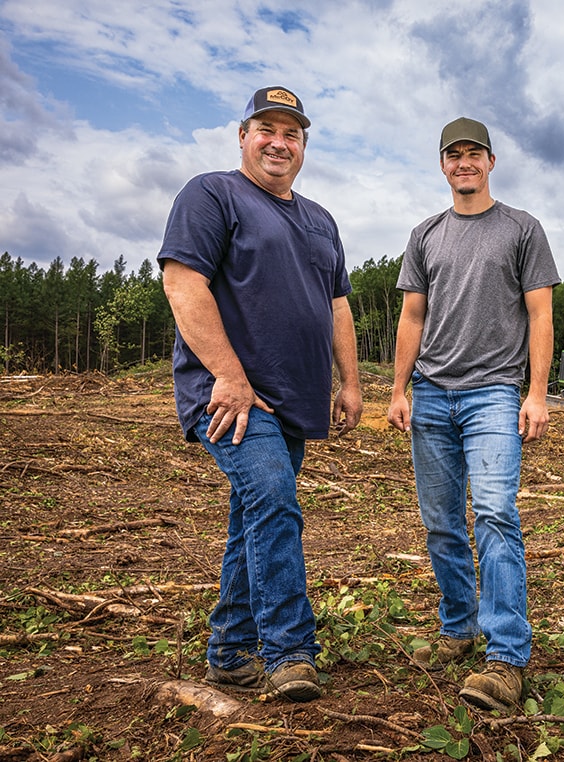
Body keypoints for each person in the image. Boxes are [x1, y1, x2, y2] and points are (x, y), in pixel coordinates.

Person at [158, 86, 363, 702]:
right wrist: (228, 373)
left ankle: (228, 650)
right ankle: (289, 651)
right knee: (273, 499)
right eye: (266, 129)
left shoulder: (321, 218)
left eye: (292, 132)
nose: (279, 141)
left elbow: (338, 305)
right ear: (243, 136)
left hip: (295, 399)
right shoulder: (212, 194)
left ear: (304, 144)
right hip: (231, 396)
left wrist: (350, 381)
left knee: (255, 516)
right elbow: (182, 281)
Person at [387, 117, 560, 712]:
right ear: (442, 165)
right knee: (440, 522)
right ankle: (459, 627)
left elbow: (540, 315)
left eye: (474, 154)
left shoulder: (521, 228)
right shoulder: (425, 234)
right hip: (432, 393)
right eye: (453, 155)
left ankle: (506, 655)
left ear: (491, 161)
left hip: (493, 393)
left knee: (493, 512)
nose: (464, 163)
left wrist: (535, 394)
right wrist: (399, 389)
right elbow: (412, 317)